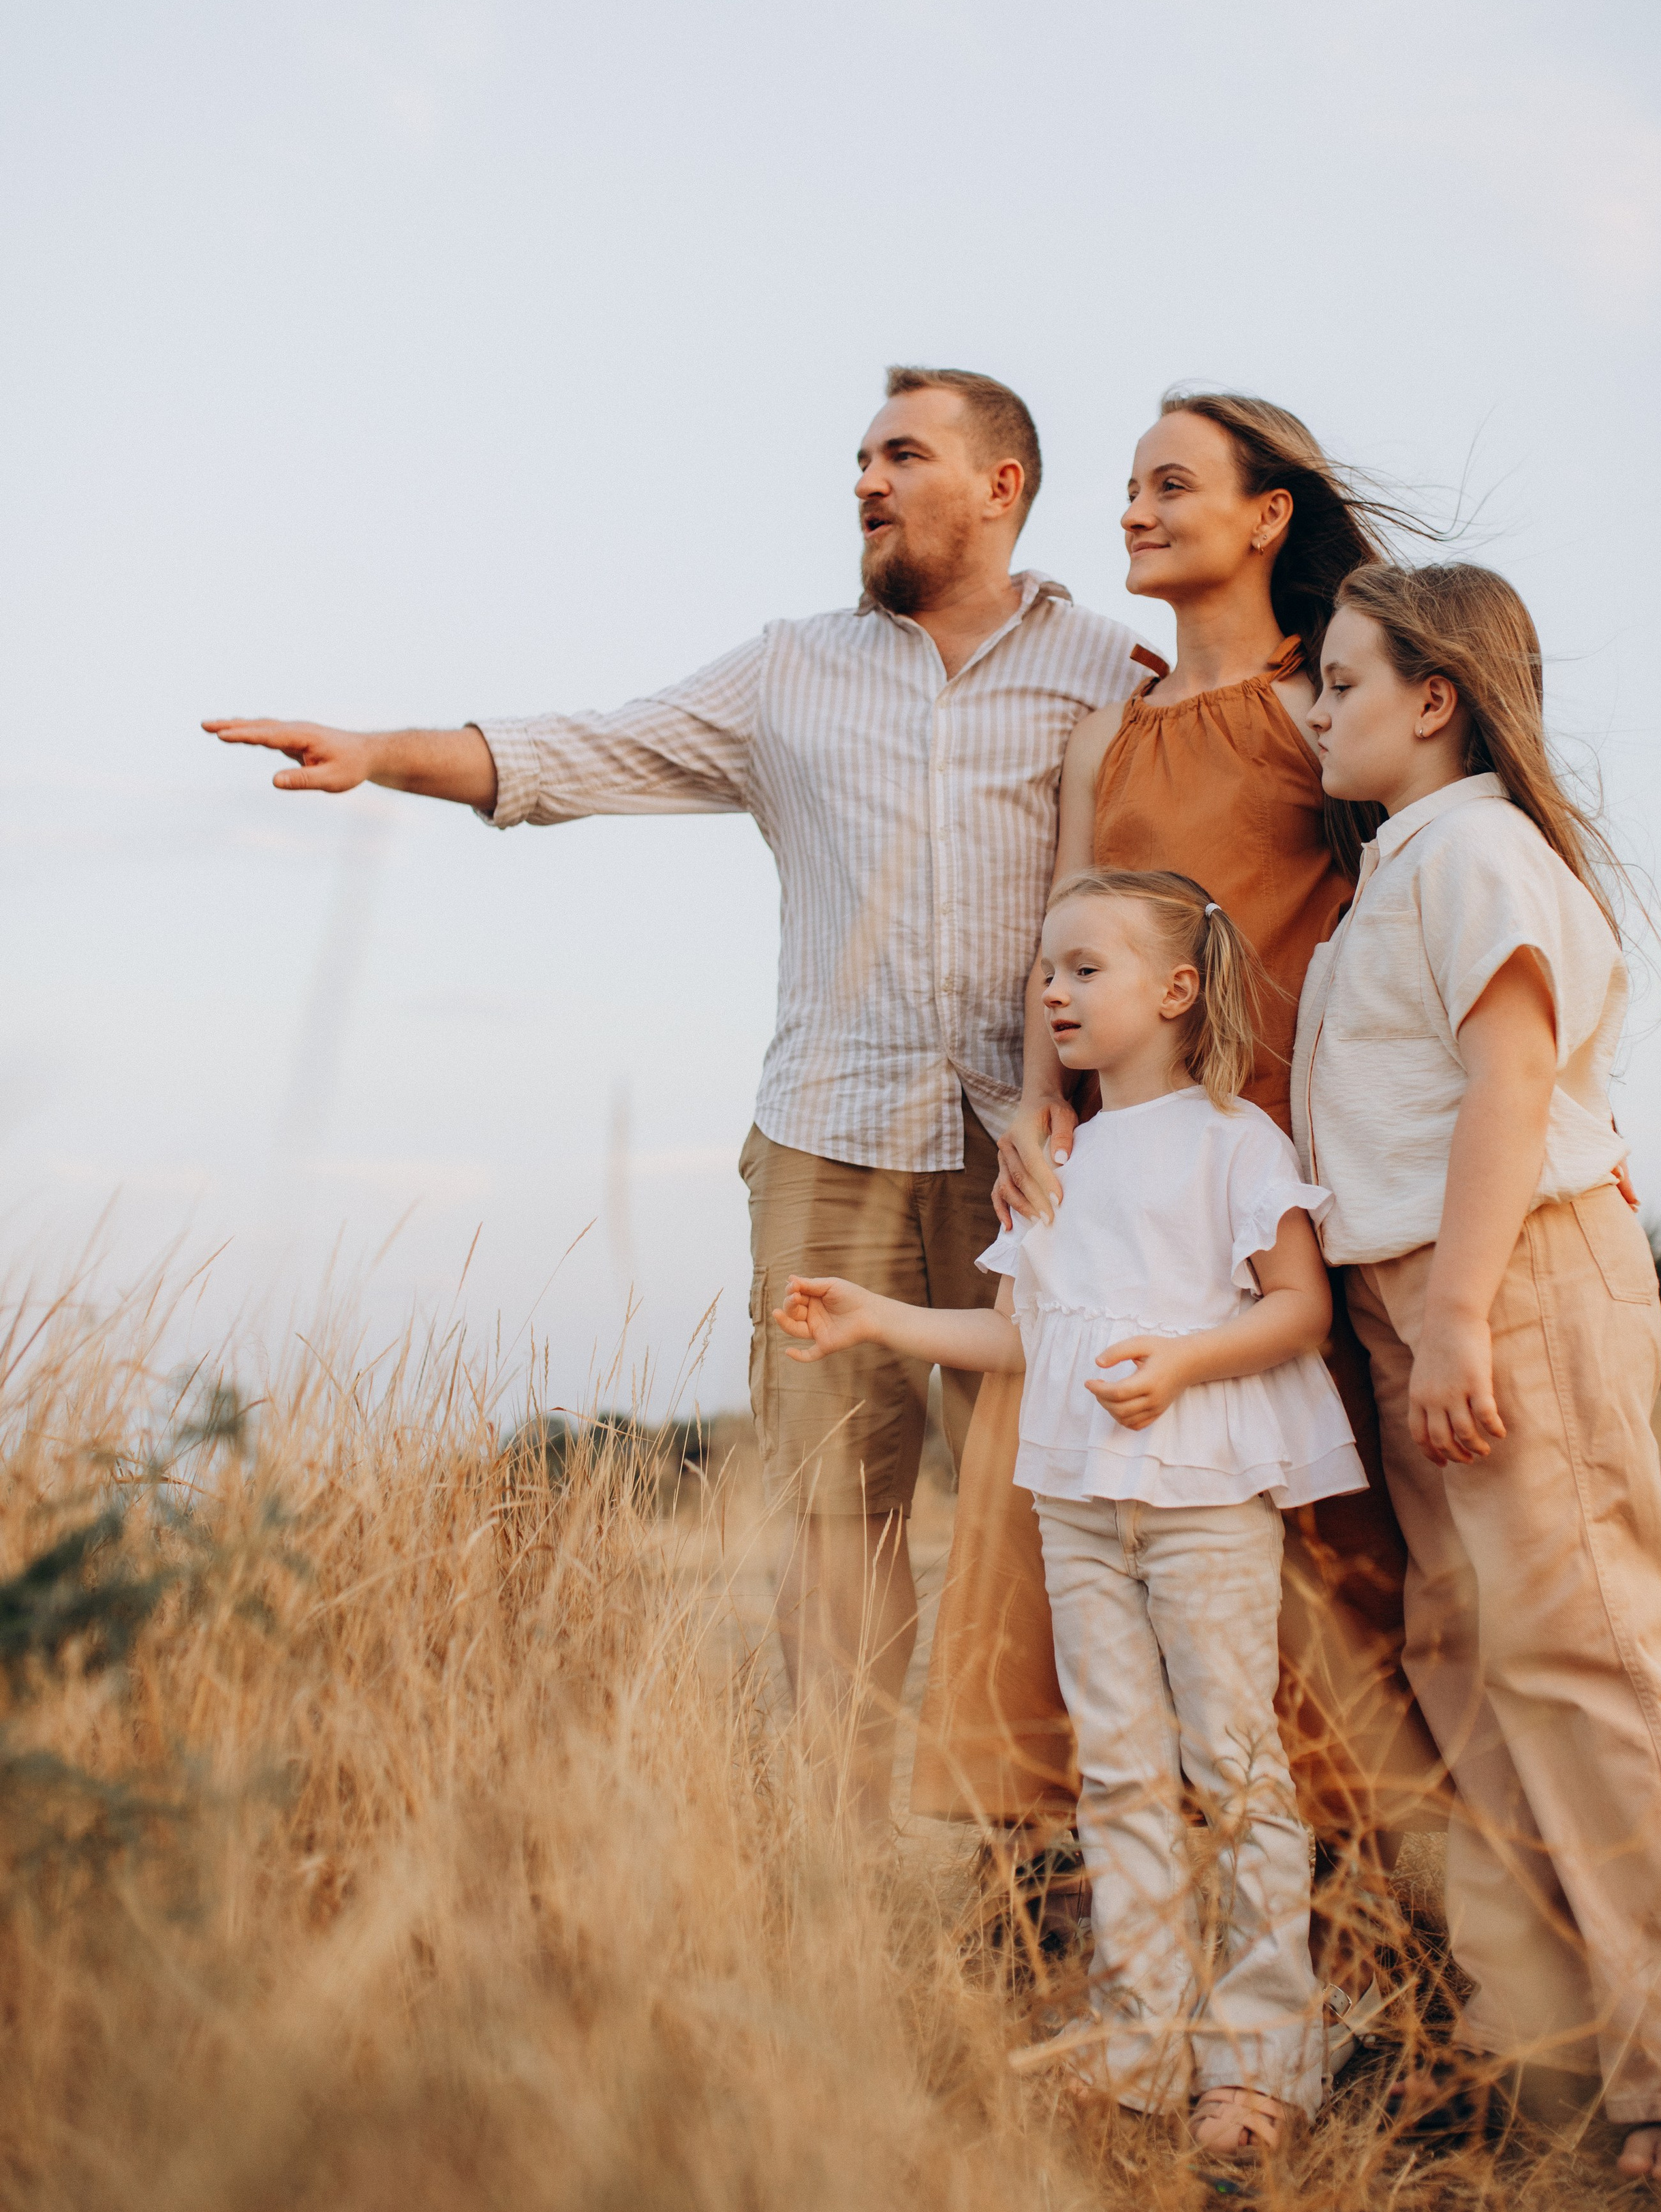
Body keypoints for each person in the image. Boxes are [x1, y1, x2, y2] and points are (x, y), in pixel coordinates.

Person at [202, 366, 1144, 1824]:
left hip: (1046, 1150)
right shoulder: (787, 670)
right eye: (858, 459)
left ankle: (1039, 1872)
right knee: (839, 1518)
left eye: (901, 455)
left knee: (1044, 1510)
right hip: (831, 1138)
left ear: (1001, 484)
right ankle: (836, 1868)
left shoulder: (1106, 670)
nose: (864, 482)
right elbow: (589, 751)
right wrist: (385, 754)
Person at [914, 395, 1442, 1942]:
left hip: (1269, 1172)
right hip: (1110, 1168)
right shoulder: (1108, 732)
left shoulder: (1318, 710)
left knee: (1299, 1521)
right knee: (1063, 1495)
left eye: (1169, 485)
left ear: (1266, 517)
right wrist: (1033, 1107)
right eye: (1128, 487)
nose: (1131, 509)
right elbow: (1061, 935)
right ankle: (1076, 1900)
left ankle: (1344, 1920)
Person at [777, 869, 1369, 2152]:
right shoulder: (1056, 1162)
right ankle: (1141, 2040)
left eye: (1085, 968)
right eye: (1046, 968)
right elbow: (1015, 1341)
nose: (1052, 986)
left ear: (1174, 992)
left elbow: (1298, 1308)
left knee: (1236, 1764)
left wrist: (1179, 1362)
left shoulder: (1232, 1139)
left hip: (1205, 1497)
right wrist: (875, 1315)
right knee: (1118, 1769)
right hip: (1078, 1505)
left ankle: (1261, 2056)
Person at [1297, 559, 1661, 2184]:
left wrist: (1467, 1313)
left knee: (1589, 1657)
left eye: (1340, 682)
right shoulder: (1401, 867)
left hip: (1510, 1274)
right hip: (1412, 1290)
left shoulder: (1476, 846)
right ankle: (1549, 2051)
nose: (1313, 709)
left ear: (1434, 700)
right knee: (1464, 1654)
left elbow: (1507, 1080)